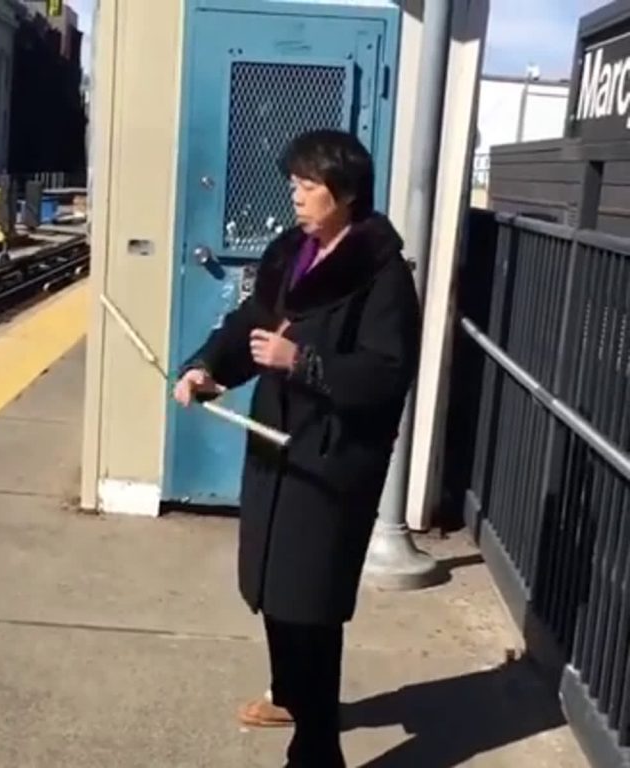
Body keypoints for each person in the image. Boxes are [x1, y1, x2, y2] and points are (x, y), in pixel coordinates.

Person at [173, 129, 421, 768]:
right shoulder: (292, 253)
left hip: (331, 461)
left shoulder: (383, 274)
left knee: (310, 603)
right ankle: (289, 693)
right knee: (272, 586)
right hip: (276, 448)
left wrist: (301, 361)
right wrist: (207, 367)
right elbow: (249, 324)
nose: (298, 196)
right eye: (294, 184)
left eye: (309, 186)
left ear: (346, 193)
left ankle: (316, 749)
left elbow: (386, 373)